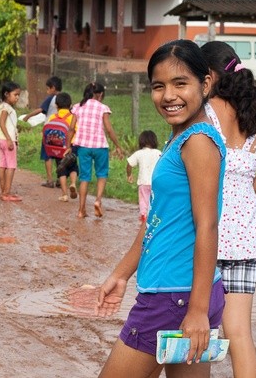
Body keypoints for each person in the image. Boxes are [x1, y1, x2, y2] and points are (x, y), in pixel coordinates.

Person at [95, 39, 226, 378]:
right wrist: (121, 275)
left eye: (180, 83)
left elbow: (208, 225)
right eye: (159, 86)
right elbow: (156, 218)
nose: (169, 95)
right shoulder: (180, 139)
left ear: (206, 83)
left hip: (174, 297)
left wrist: (196, 310)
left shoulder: (197, 141)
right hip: (187, 291)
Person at [202, 41, 256, 378]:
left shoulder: (202, 115)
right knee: (239, 333)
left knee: (199, 331)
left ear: (207, 77)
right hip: (247, 241)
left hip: (206, 236)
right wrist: (239, 181)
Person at [70, 82, 123, 218]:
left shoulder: (78, 107)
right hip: (100, 146)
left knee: (84, 178)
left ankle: (81, 210)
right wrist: (118, 145)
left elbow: (71, 128)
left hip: (83, 147)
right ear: (100, 94)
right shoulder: (102, 108)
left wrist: (67, 146)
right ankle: (98, 201)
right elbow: (109, 129)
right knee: (102, 174)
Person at [22, 76, 63, 188]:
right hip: (62, 131)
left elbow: (40, 110)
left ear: (53, 88)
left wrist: (27, 116)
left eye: (48, 88)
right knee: (59, 155)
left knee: (48, 155)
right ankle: (61, 178)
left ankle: (50, 180)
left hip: (49, 130)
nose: (47, 91)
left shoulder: (51, 98)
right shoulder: (65, 98)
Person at [0, 81, 22, 202]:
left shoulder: (0, 106)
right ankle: (7, 192)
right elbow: (1, 122)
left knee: (3, 165)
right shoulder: (7, 108)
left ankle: (3, 191)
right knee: (11, 166)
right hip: (7, 140)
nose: (17, 97)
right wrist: (9, 139)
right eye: (15, 95)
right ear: (6, 94)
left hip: (0, 139)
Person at [48, 92, 79, 202]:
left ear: (56, 106)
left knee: (61, 169)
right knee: (73, 166)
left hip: (57, 147)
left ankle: (64, 194)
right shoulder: (72, 117)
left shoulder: (52, 117)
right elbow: (76, 130)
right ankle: (74, 183)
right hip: (72, 145)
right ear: (71, 105)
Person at [126, 130, 162, 223]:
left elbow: (129, 164)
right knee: (155, 200)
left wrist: (129, 175)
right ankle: (154, 217)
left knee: (143, 200)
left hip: (143, 182)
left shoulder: (139, 153)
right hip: (156, 182)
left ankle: (144, 215)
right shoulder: (158, 153)